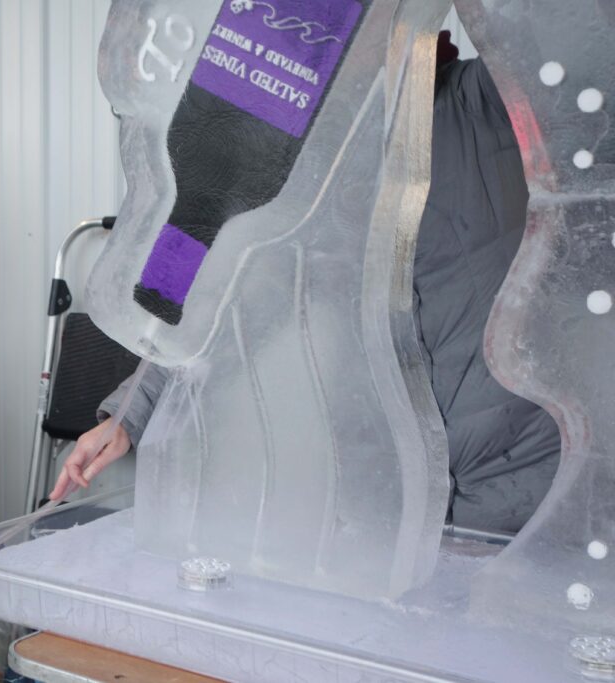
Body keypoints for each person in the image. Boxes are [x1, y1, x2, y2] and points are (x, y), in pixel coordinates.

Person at [52, 33, 561, 535]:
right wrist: (124, 416)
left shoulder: (482, 101)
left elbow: (563, 35)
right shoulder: (306, 165)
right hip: (388, 485)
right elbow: (228, 305)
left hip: (521, 477)